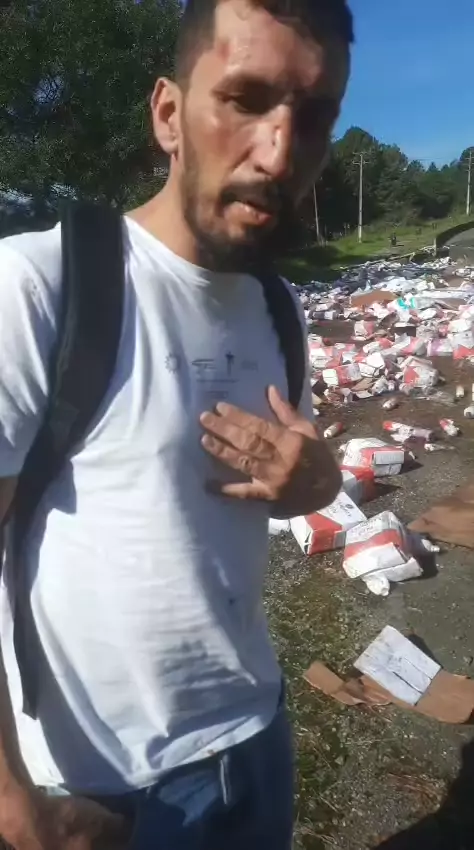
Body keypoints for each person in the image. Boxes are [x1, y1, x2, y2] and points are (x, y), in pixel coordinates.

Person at [0, 0, 352, 847]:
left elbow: (286, 485)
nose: (279, 153)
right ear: (168, 114)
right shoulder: (38, 287)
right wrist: (14, 807)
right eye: (246, 99)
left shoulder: (280, 309)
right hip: (102, 785)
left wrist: (318, 481)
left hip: (257, 736)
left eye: (312, 117)